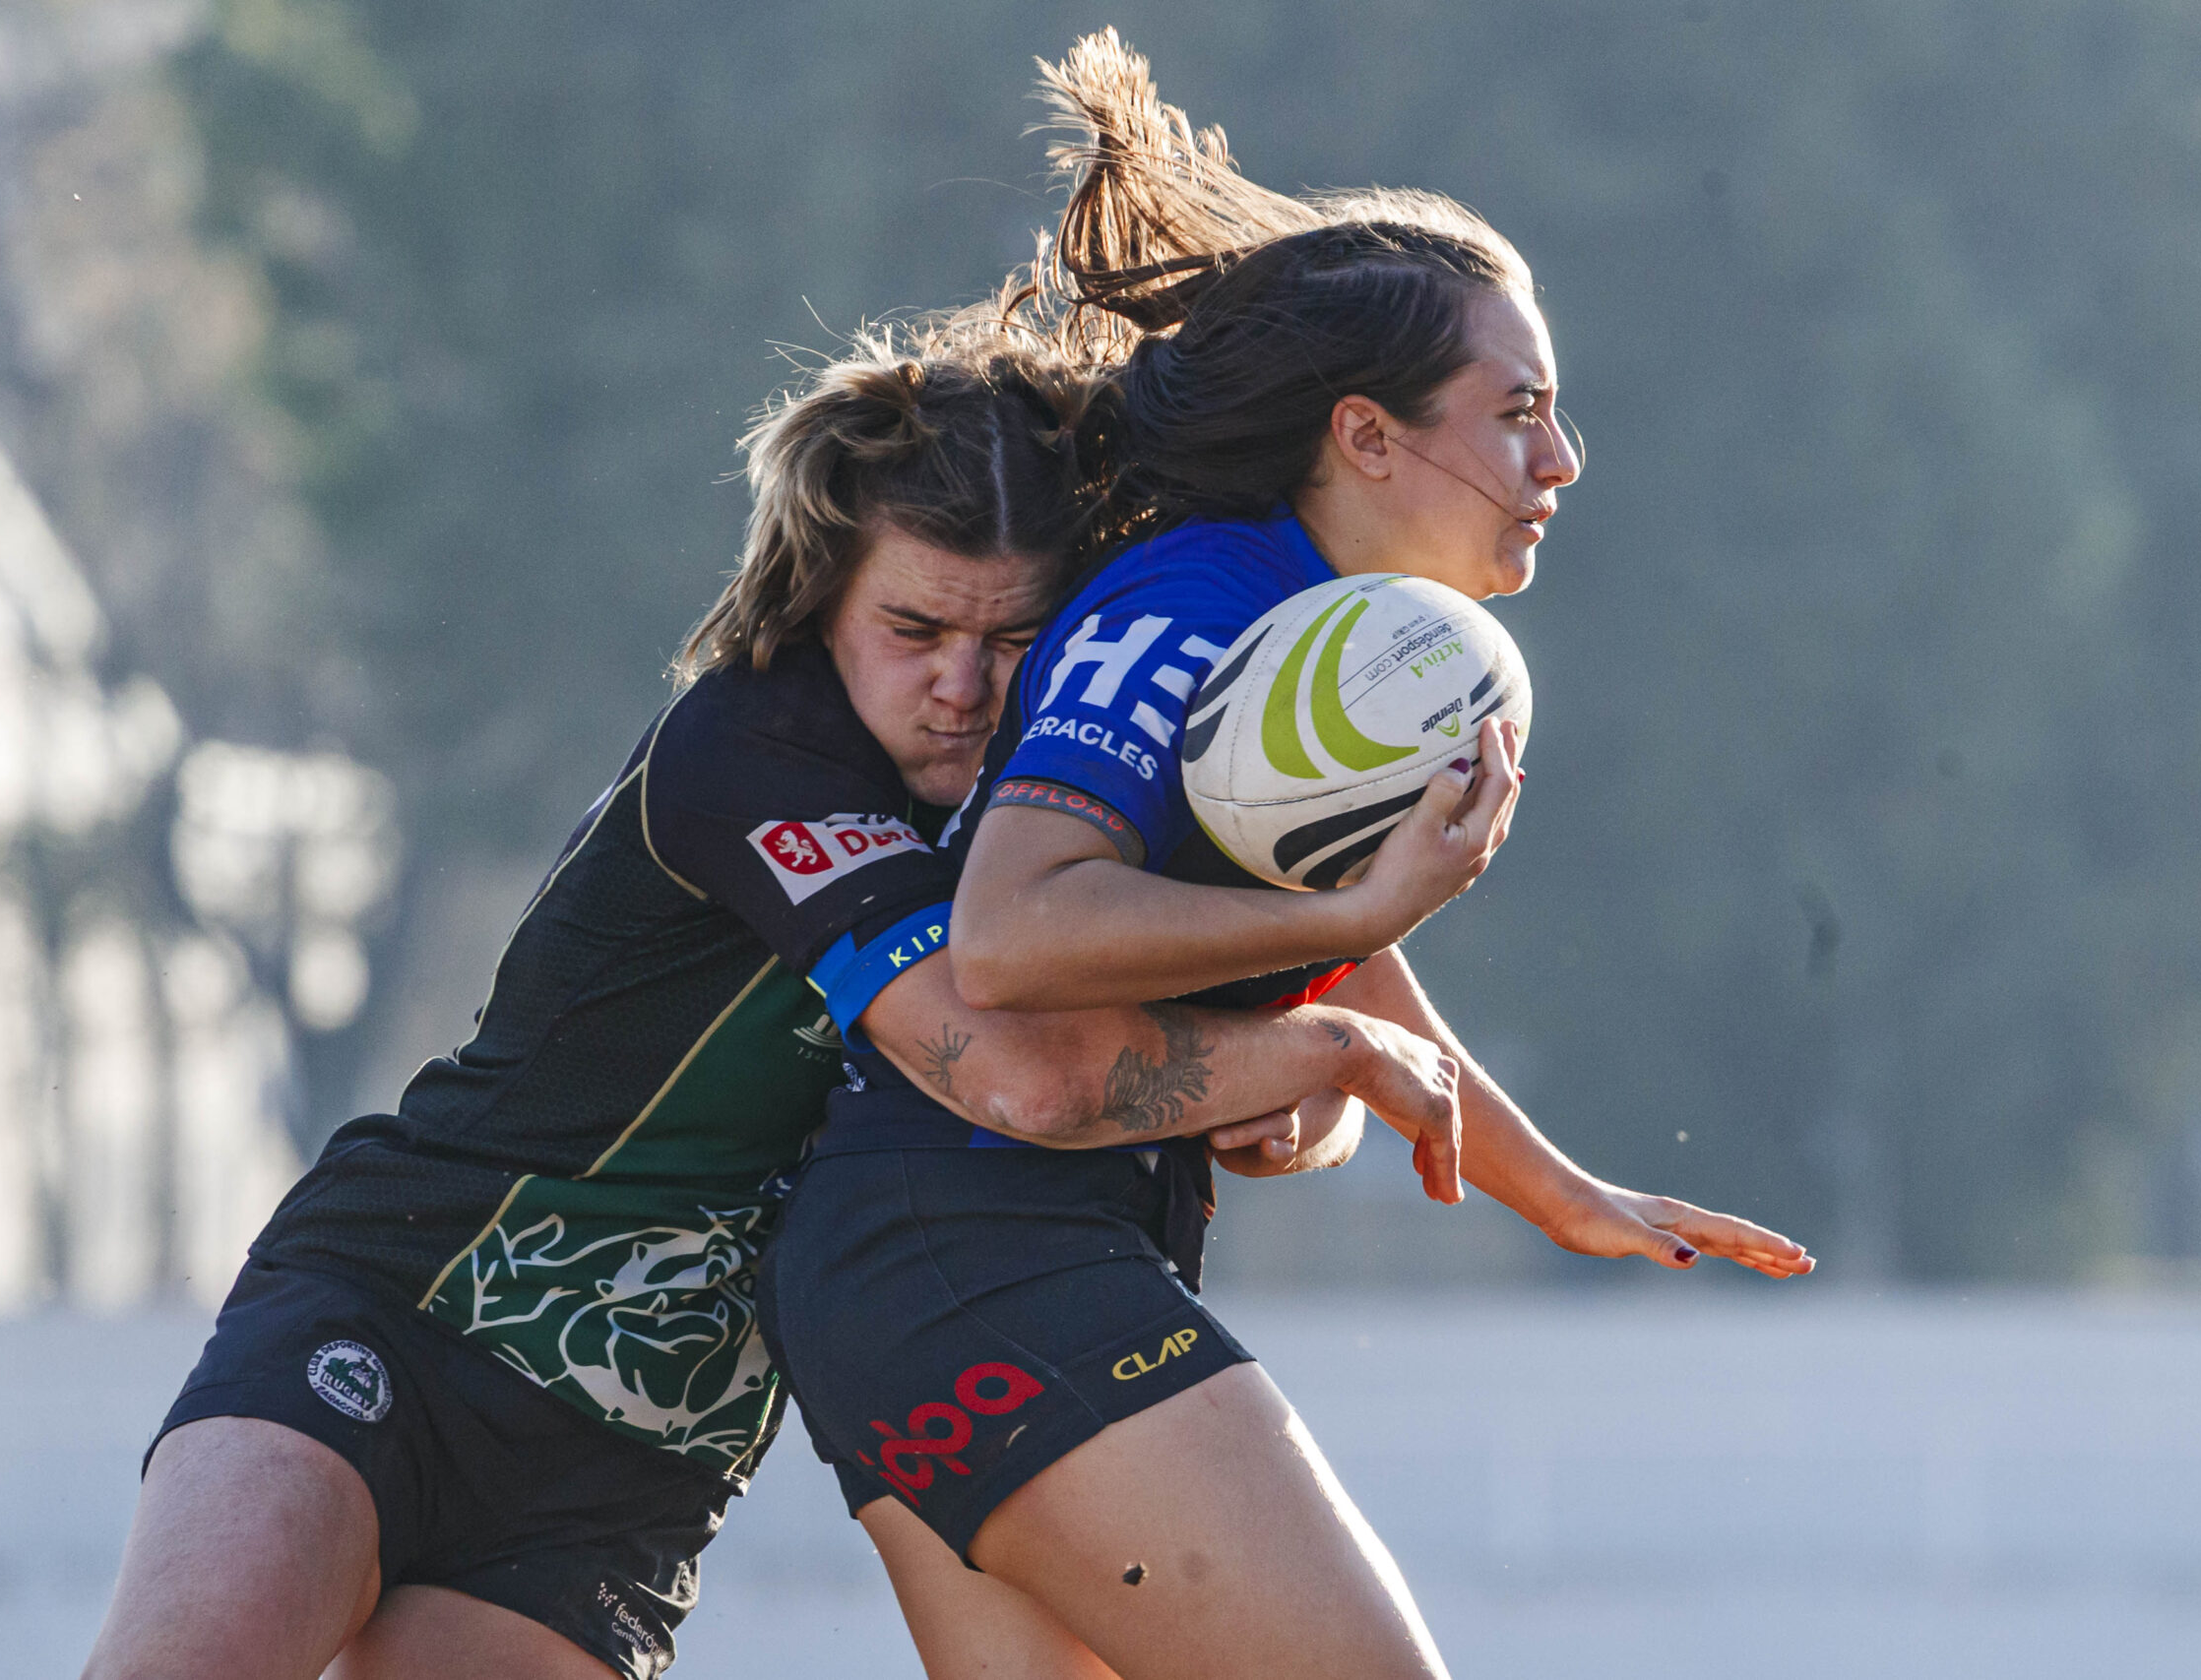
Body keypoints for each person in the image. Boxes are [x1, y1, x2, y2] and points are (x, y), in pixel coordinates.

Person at [79, 317, 1474, 1680]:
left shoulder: (1063, 794)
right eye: (914, 628)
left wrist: (1292, 1091)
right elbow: (1022, 1079)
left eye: (1013, 642)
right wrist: (1330, 1050)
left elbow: (1246, 1025)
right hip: (405, 1306)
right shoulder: (753, 745)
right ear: (823, 600)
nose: (959, 687)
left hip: (624, 1473)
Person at [761, 31, 1816, 1680]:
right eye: (1520, 410)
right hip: (963, 1246)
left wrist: (1558, 1188)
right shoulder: (1195, 602)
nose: (1562, 459)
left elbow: (1308, 940)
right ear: (1368, 438)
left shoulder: (1301, 626)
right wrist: (1359, 914)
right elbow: (1015, 931)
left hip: (933, 1265)